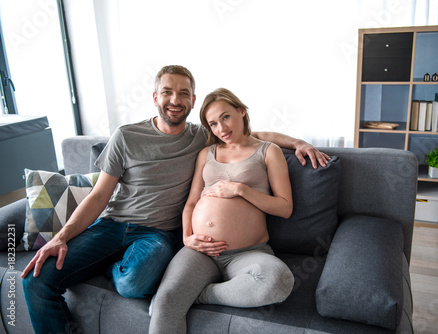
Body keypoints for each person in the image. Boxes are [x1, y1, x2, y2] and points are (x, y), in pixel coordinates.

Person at [21, 65, 329, 333]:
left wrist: (298, 142)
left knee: (137, 284)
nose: (175, 100)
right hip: (120, 227)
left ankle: (157, 279)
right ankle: (113, 264)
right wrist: (60, 237)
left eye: (184, 93)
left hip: (166, 238)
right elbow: (100, 195)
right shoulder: (130, 137)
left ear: (192, 101)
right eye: (167, 92)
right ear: (155, 97)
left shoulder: (201, 137)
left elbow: (249, 136)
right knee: (36, 280)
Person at [149, 88, 297, 334]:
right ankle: (188, 293)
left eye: (225, 117)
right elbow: (191, 203)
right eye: (213, 124)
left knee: (278, 282)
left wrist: (241, 190)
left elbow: (285, 208)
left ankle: (203, 294)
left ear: (242, 111)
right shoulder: (206, 154)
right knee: (165, 302)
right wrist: (188, 237)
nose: (221, 128)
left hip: (247, 254)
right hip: (200, 251)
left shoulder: (268, 151)